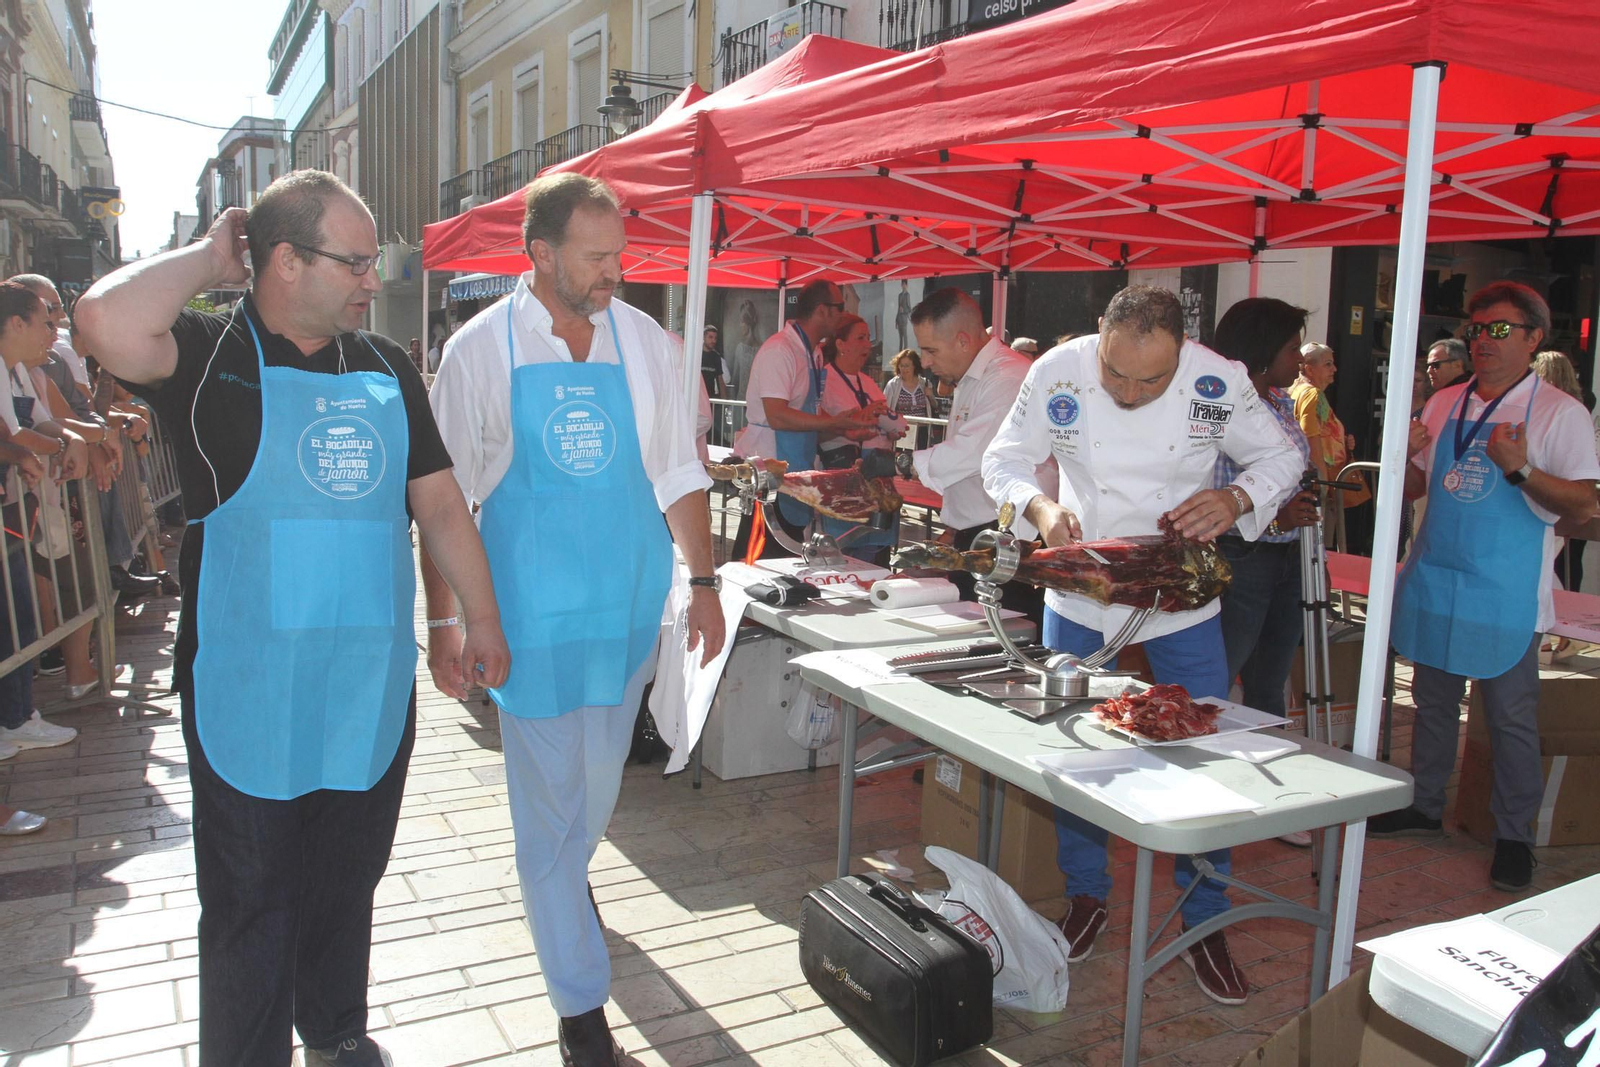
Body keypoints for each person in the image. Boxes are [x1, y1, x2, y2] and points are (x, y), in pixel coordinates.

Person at [76, 170, 510, 1067]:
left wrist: (477, 618)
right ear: (281, 261)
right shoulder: (204, 358)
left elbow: (438, 507)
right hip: (250, 692)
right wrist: (208, 253)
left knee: (346, 882)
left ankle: (336, 1027)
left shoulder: (388, 366)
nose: (368, 278)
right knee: (249, 900)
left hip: (364, 685)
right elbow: (102, 321)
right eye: (353, 261)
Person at [424, 173, 723, 1067]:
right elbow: (441, 500)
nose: (615, 271)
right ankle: (579, 1007)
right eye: (598, 257)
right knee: (547, 819)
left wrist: (703, 582)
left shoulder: (646, 345)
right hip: (523, 625)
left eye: (620, 253)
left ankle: (565, 897)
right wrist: (446, 623)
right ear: (541, 253)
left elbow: (678, 470)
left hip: (624, 615)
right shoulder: (481, 352)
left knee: (590, 801)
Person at [983, 285, 1303, 1006]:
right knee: (1074, 752)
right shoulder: (1058, 370)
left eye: (1148, 380)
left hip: (1177, 598)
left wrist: (1237, 499)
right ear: (1099, 337)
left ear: (1181, 356)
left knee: (1206, 755)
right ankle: (1087, 893)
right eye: (1115, 373)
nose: (1128, 392)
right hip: (1081, 587)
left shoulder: (1218, 380)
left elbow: (1281, 459)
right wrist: (1038, 505)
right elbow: (1003, 458)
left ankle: (1205, 918)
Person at [1377, 282, 1600, 893]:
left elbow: (1584, 501)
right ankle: (1424, 806)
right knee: (1432, 703)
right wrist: (1402, 459)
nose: (1484, 341)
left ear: (1534, 338)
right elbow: (1411, 491)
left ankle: (1514, 837)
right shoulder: (1446, 400)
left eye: (1500, 329)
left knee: (1510, 721)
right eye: (1477, 329)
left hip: (1505, 590)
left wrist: (1522, 470)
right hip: (1438, 576)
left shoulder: (1559, 412)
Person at [897, 288, 1041, 611]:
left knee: (1003, 640)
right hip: (977, 534)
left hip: (1007, 540)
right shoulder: (971, 377)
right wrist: (952, 529)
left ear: (963, 341)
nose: (927, 362)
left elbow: (975, 452)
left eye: (931, 351)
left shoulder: (1008, 376)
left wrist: (904, 463)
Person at [1211, 298, 1318, 716]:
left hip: (1291, 557)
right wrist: (1275, 519)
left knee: (1271, 681)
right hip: (1243, 558)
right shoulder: (1222, 408)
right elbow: (1219, 490)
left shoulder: (1279, 402)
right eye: (1292, 349)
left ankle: (1267, 762)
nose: (1300, 360)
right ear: (1262, 350)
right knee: (1219, 673)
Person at [731, 279, 874, 558]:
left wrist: (847, 427)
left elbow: (811, 413)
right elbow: (778, 416)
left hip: (797, 470)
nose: (844, 315)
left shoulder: (815, 353)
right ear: (822, 310)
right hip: (768, 472)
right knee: (756, 557)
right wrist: (835, 423)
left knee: (789, 551)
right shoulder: (780, 350)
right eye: (840, 307)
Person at [0, 280, 81, 757]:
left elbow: (27, 430)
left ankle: (16, 715)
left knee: (17, 613)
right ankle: (13, 719)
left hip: (13, 505)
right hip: (9, 506)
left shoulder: (15, 370)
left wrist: (65, 443)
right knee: (15, 615)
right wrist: (43, 452)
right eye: (44, 322)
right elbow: (17, 438)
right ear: (16, 323)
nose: (52, 333)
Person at [1292, 343, 1370, 544]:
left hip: (1313, 477)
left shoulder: (1297, 390)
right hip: (1322, 479)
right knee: (1321, 544)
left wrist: (1342, 441)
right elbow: (1309, 434)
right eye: (1328, 364)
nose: (1334, 369)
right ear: (1309, 369)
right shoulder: (1311, 394)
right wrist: (1322, 482)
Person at [1533, 350, 1588, 607]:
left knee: (1546, 565)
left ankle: (1565, 633)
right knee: (1563, 562)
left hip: (1549, 498)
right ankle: (1567, 634)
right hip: (1562, 495)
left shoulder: (1560, 409)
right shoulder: (1579, 405)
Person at [884, 348, 932, 449]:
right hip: (902, 431)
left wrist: (930, 396)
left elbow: (934, 406)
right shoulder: (893, 385)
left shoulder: (924, 383)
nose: (904, 369)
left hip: (922, 431)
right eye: (901, 365)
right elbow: (885, 408)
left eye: (907, 366)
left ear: (914, 366)